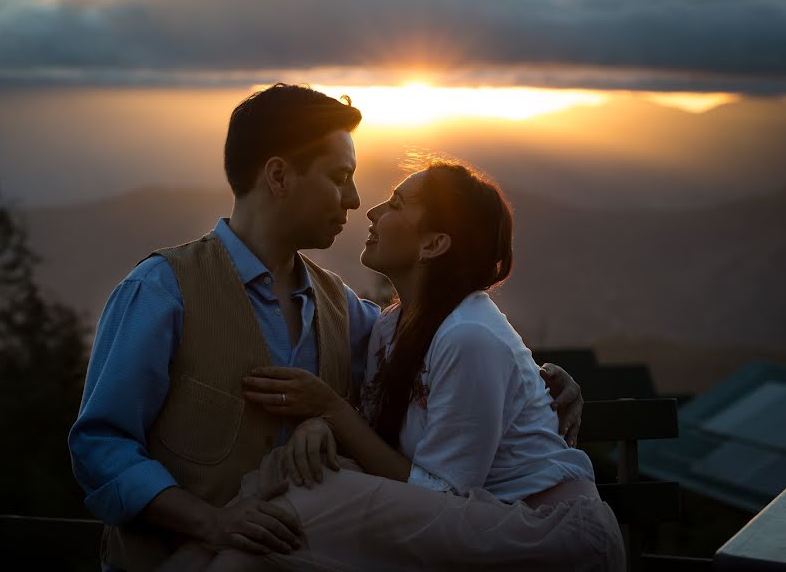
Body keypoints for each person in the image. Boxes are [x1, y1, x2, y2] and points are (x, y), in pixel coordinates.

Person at [68, 85, 585, 572]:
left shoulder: (341, 308)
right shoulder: (161, 290)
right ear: (278, 177)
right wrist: (211, 522)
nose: (356, 199)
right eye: (339, 177)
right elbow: (100, 446)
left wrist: (538, 378)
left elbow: (437, 348)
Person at [223, 162, 625, 571]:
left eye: (396, 204)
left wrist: (329, 410)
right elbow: (381, 438)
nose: (374, 212)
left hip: (540, 534)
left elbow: (440, 496)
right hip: (471, 523)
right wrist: (324, 424)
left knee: (300, 503)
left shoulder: (469, 336)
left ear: (433, 244)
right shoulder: (390, 327)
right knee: (282, 493)